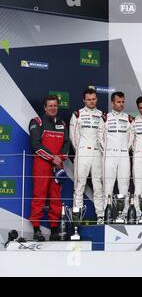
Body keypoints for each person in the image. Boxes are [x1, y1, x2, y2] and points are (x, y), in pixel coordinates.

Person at [29, 95, 70, 241]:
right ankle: (36, 229)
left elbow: (66, 143)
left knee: (56, 198)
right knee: (39, 196)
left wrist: (60, 158)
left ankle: (54, 230)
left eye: (55, 106)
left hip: (57, 165)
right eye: (50, 106)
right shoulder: (37, 122)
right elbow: (35, 145)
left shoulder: (62, 124)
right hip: (42, 164)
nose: (53, 108)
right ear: (45, 108)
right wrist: (53, 157)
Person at [70, 88, 105, 224]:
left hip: (98, 153)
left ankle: (100, 216)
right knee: (79, 185)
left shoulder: (102, 115)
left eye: (94, 99)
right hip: (82, 152)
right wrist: (80, 149)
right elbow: (73, 136)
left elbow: (103, 136)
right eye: (89, 99)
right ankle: (77, 217)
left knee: (98, 185)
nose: (91, 102)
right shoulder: (77, 114)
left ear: (96, 99)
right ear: (84, 100)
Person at [98, 91, 132, 207]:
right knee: (108, 185)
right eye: (118, 102)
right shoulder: (105, 117)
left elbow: (131, 137)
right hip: (109, 155)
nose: (121, 104)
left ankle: (124, 214)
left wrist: (125, 149)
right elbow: (100, 136)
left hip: (123, 155)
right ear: (112, 103)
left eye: (123, 102)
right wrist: (106, 151)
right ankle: (106, 214)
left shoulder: (129, 119)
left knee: (124, 185)